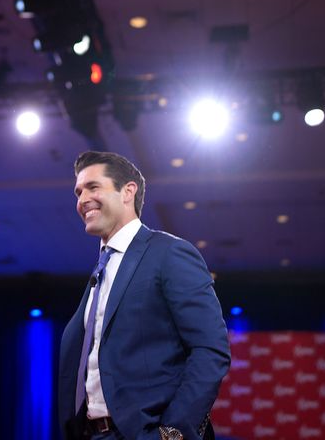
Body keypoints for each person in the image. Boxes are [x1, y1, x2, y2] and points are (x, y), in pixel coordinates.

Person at [59, 151, 230, 440]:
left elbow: (210, 349)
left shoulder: (168, 253)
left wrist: (172, 433)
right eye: (78, 192)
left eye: (93, 187)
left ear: (128, 191)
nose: (81, 199)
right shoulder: (99, 273)